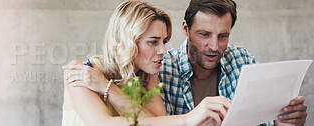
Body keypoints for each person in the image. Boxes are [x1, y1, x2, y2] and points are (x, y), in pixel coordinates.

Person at [62, 1, 222, 125]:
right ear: (125, 42)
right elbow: (103, 123)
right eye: (153, 42)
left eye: (164, 42)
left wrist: (106, 87)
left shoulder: (147, 76)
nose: (163, 51)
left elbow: (159, 123)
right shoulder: (83, 72)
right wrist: (188, 119)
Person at [159, 0, 307, 125]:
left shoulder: (242, 60)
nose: (214, 46)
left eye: (223, 36)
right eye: (204, 34)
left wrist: (283, 120)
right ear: (186, 28)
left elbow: (264, 121)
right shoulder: (164, 69)